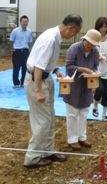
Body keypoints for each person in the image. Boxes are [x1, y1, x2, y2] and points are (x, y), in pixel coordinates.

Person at [24, 14, 82, 169]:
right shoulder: (50, 39)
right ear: (70, 28)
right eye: (75, 33)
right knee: (42, 120)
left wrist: (55, 70)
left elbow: (45, 60)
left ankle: (47, 151)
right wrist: (38, 91)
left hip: (46, 78)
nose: (74, 36)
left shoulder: (55, 37)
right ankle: (32, 157)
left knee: (49, 116)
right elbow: (38, 66)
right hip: (37, 80)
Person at [64, 29, 100, 151]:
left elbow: (95, 66)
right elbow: (69, 67)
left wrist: (93, 73)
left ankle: (82, 136)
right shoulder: (74, 48)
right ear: (84, 39)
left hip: (87, 85)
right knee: (72, 113)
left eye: (92, 44)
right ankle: (72, 139)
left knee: (84, 111)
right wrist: (84, 69)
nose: (89, 46)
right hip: (73, 84)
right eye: (88, 43)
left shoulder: (95, 52)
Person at [10, 15, 33, 89]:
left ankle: (23, 82)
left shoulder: (29, 31)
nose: (25, 23)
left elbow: (29, 41)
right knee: (16, 68)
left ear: (28, 22)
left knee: (25, 68)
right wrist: (13, 49)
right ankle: (16, 83)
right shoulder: (15, 31)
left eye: (26, 22)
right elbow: (11, 41)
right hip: (17, 51)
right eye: (23, 21)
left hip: (25, 51)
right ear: (20, 22)